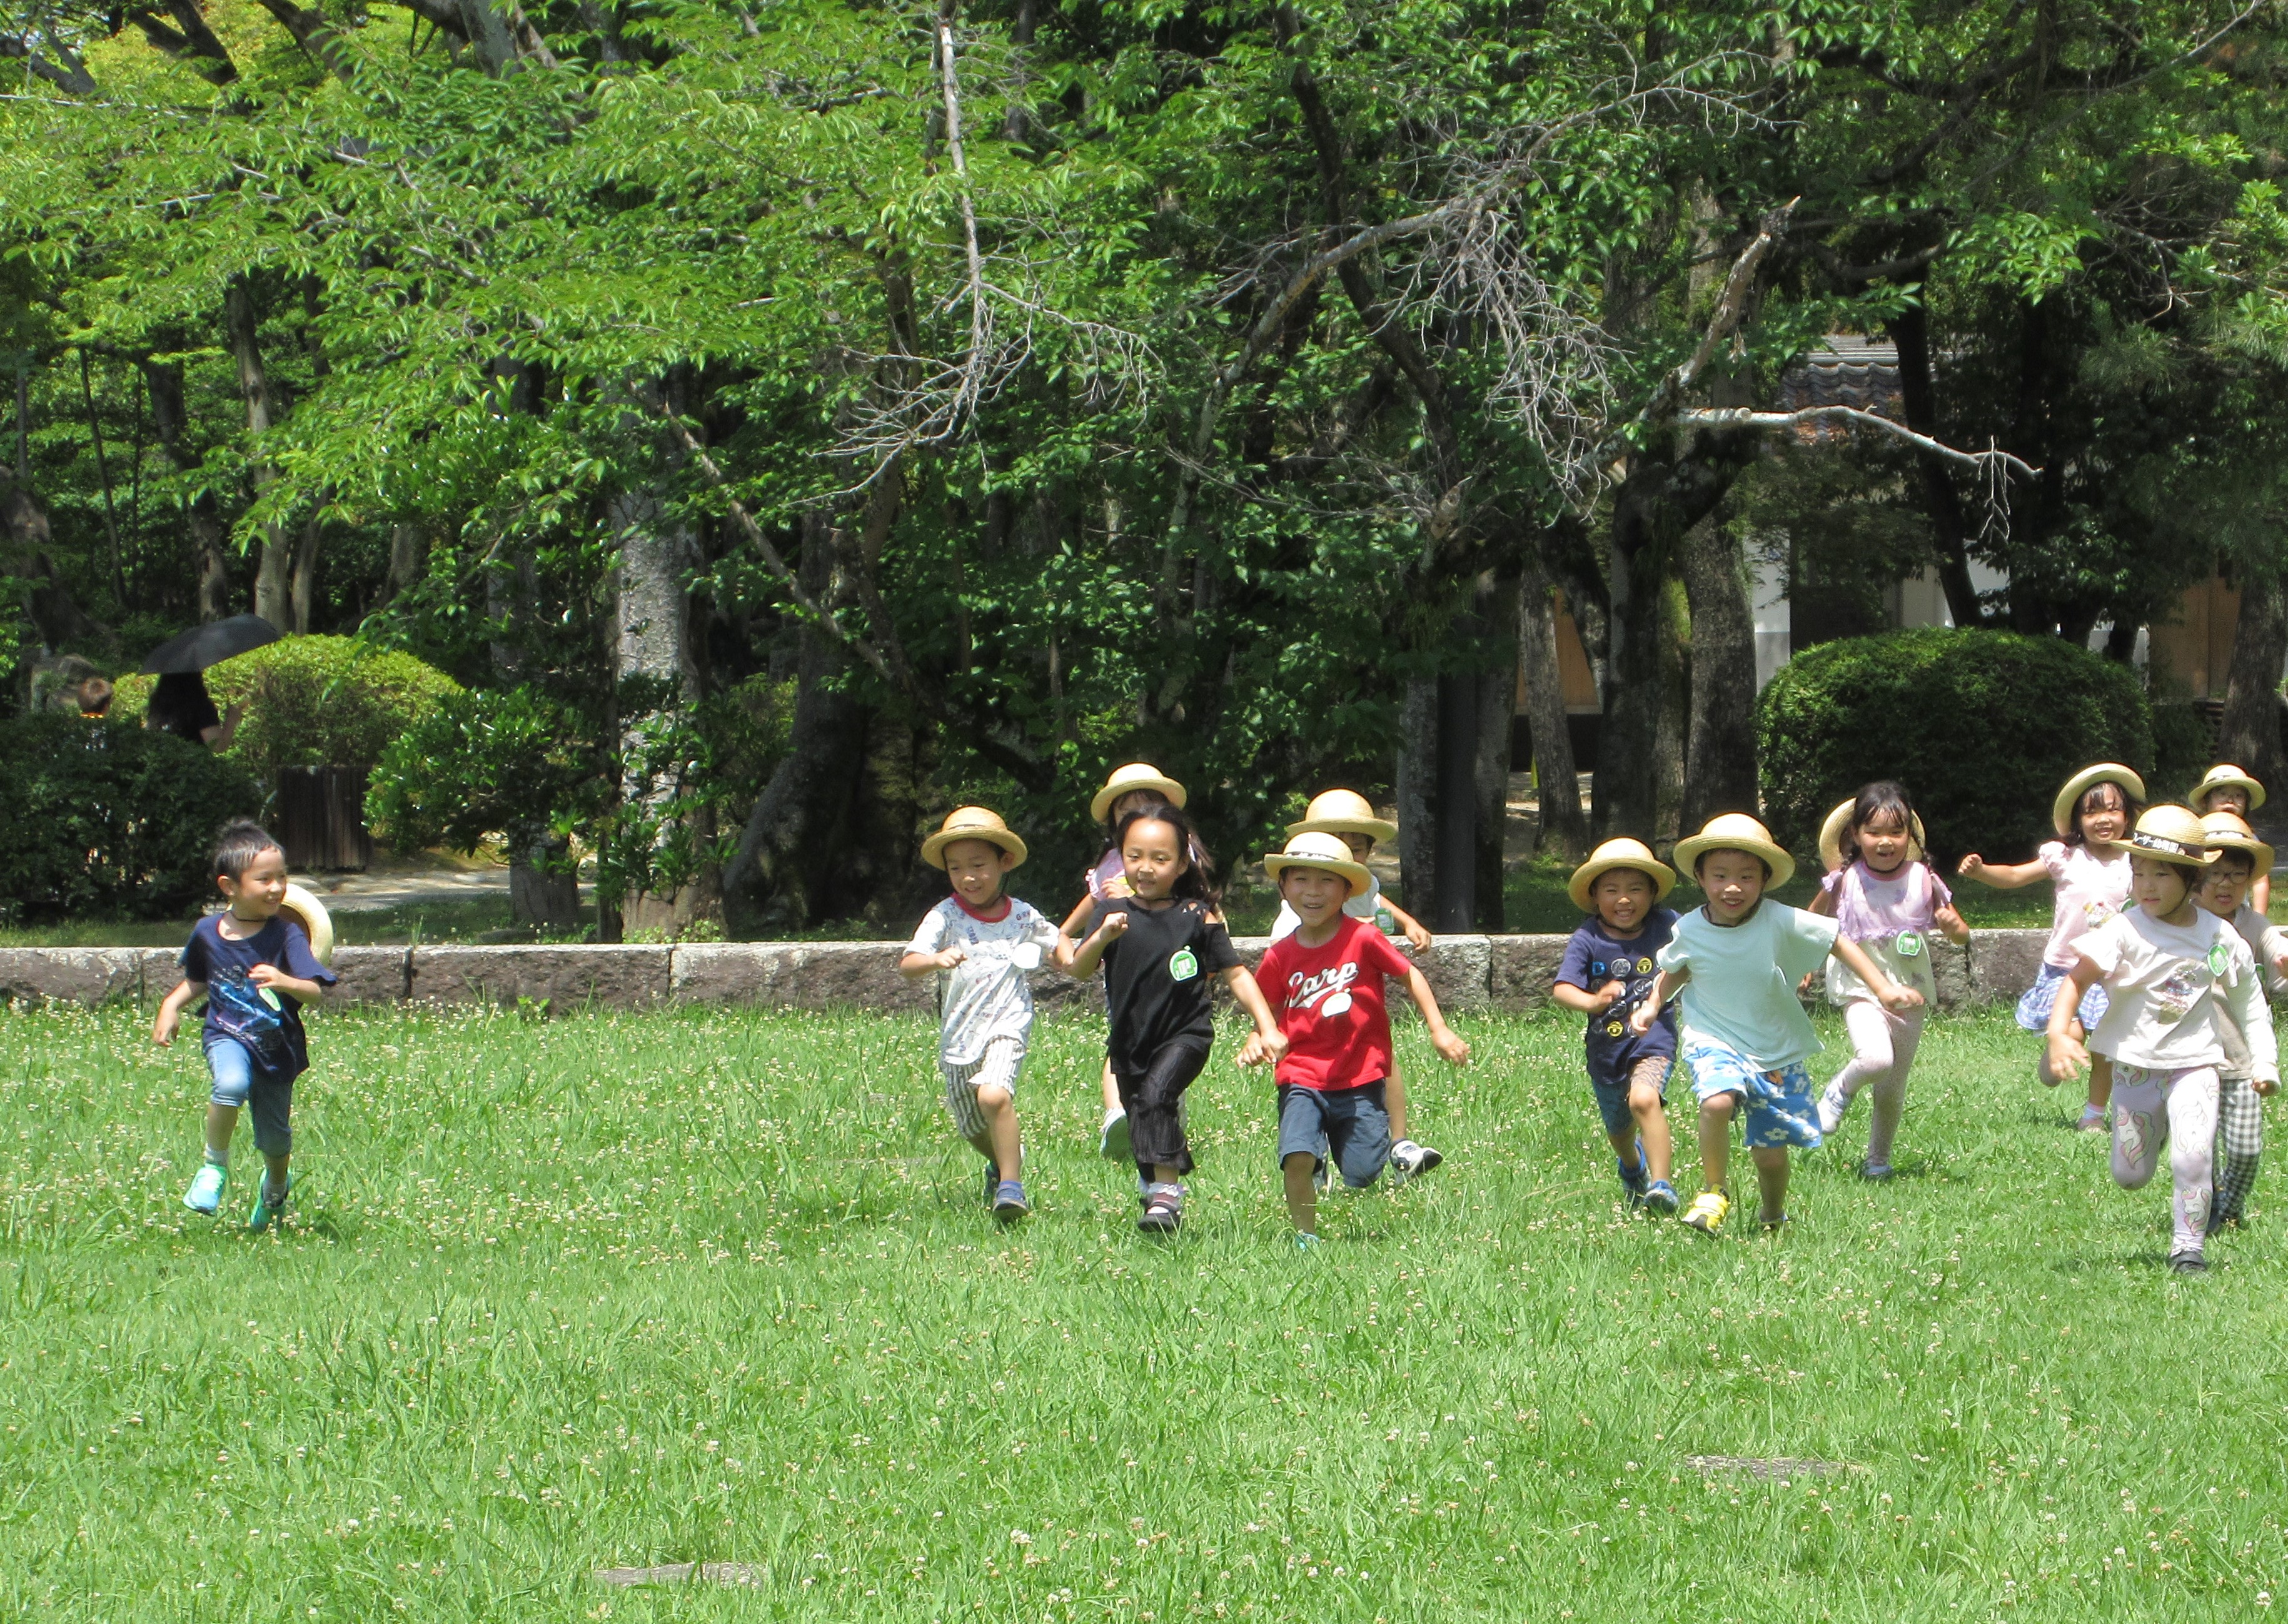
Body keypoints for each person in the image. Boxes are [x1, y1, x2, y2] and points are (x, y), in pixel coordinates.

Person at [1631, 814, 1922, 1236]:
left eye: (1747, 877)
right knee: (1716, 1102)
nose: (1733, 887)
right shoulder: (1689, 928)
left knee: (1769, 1156)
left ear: (1765, 880)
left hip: (1773, 1049)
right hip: (1713, 1037)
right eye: (1720, 876)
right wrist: (1652, 1005)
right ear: (1700, 878)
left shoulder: (1779, 918)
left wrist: (1882, 988)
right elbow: (1675, 969)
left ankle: (1772, 1214)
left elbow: (1837, 940)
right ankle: (1714, 1190)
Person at [2044, 805, 2277, 1275]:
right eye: (2139, 873)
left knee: (2194, 1158)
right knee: (2129, 1175)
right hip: (2135, 1066)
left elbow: (2250, 1001)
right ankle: (2157, 1125)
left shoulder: (2219, 935)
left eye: (2161, 875)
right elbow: (2076, 980)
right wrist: (2056, 1034)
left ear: (2192, 878)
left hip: (2196, 1063)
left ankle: (2188, 1249)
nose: (2146, 886)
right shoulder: (2124, 928)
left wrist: (2265, 1062)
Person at [1064, 803, 1286, 1234]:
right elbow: (1077, 968)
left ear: (1182, 863)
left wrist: (1267, 1026)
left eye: (1160, 858)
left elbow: (1236, 973)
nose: (1145, 868)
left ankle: (1167, 1192)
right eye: (1134, 856)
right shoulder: (1110, 912)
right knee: (1139, 1111)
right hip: (1130, 1039)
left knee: (1155, 1097)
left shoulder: (1196, 916)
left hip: (1186, 1034)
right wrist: (1102, 936)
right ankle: (1155, 1192)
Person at [1242, 834, 1471, 1246]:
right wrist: (1257, 1038)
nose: (1313, 891)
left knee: (1362, 1172)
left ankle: (1342, 1155)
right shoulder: (1280, 955)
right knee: (1296, 1156)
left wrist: (1438, 1028)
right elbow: (1267, 1008)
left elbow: (1409, 974)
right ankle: (1306, 1235)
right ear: (1283, 888)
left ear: (1348, 890)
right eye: (1300, 880)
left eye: (1326, 881)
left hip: (1359, 1074)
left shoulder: (1362, 938)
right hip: (1300, 1074)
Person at [154, 820, 336, 1230]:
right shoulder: (208, 932)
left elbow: (314, 992)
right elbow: (199, 979)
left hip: (276, 1046)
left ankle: (275, 1188)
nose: (277, 887)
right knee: (231, 1084)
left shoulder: (286, 934)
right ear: (229, 886)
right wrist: (171, 1005)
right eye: (264, 879)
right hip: (226, 1033)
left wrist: (285, 980)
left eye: (282, 877)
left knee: (275, 1138)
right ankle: (213, 1168)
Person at [898, 806, 1061, 1223]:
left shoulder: (1022, 915)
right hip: (959, 1036)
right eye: (956, 868)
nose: (968, 877)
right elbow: (909, 963)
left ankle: (1011, 1187)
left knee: (993, 1095)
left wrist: (1087, 951)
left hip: (1007, 1022)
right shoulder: (945, 915)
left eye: (977, 865)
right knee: (972, 1127)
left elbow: (1059, 944)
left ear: (1003, 862)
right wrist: (935, 959)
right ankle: (1002, 1162)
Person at [1270, 789, 1443, 1182]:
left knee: (1378, 1055)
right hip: (1311, 1024)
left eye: (1357, 848)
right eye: (1337, 842)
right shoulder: (1301, 912)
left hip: (1354, 1006)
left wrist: (1407, 922)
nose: (1346, 854)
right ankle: (1311, 1155)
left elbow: (1377, 902)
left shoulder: (1360, 886)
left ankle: (1398, 1143)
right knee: (1306, 1085)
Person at [1957, 763, 2142, 1129]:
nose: (2103, 819)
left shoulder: (2135, 861)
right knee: (2072, 1034)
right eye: (2091, 812)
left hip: (2111, 969)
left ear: (2127, 815)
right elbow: (2014, 875)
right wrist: (1982, 872)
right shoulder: (2065, 856)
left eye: (2113, 810)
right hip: (2066, 967)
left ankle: (2093, 1116)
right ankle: (2054, 1054)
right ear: (2077, 821)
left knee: (2106, 1050)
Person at [1808, 784, 1970, 1179]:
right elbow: (1812, 924)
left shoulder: (1923, 878)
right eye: (1874, 832)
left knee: (1893, 1088)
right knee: (1876, 1059)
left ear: (1909, 836)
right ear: (1855, 835)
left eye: (1896, 832)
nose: (1885, 842)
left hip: (1910, 992)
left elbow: (1961, 934)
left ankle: (1878, 1161)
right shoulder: (1845, 880)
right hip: (1861, 988)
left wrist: (1954, 927)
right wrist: (1804, 965)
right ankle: (1838, 1092)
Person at [1060, 763, 1197, 1162]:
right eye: (1126, 809)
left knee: (1169, 1041)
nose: (1136, 815)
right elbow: (1093, 900)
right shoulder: (1111, 860)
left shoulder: (1176, 853)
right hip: (1123, 964)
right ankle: (1117, 1115)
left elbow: (1194, 897)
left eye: (1146, 804)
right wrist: (1064, 931)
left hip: (1168, 962)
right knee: (1123, 1037)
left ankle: (1164, 1118)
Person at [1553, 837, 1682, 1213]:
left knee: (1644, 1099)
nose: (1624, 899)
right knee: (1620, 1131)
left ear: (1653, 893)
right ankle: (1632, 1165)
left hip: (1653, 1039)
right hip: (1606, 1052)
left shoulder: (1667, 925)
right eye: (1611, 890)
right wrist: (1593, 1001)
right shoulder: (1588, 938)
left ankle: (1661, 1185)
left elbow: (1699, 946)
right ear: (1595, 896)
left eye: (1636, 889)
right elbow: (1562, 989)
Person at [2195, 810, 2288, 1231]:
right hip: (2192, 1057)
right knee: (2199, 1150)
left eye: (2236, 875)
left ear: (2250, 880)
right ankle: (2209, 1210)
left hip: (2242, 1058)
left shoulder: (2254, 924)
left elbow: (2276, 949)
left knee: (2246, 1149)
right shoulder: (2182, 921)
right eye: (2215, 874)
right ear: (2196, 876)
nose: (2225, 884)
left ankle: (2228, 1205)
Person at [2192, 766, 2270, 912]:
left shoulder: (2248, 838)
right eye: (2222, 794)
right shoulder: (2195, 833)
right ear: (2205, 801)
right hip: (2197, 912)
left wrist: (2258, 915)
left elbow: (2260, 881)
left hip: (2235, 912)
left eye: (2239, 796)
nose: (2230, 800)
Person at [143, 670, 244, 750]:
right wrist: (231, 720)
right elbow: (216, 745)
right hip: (193, 767)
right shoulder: (201, 705)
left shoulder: (157, 705)